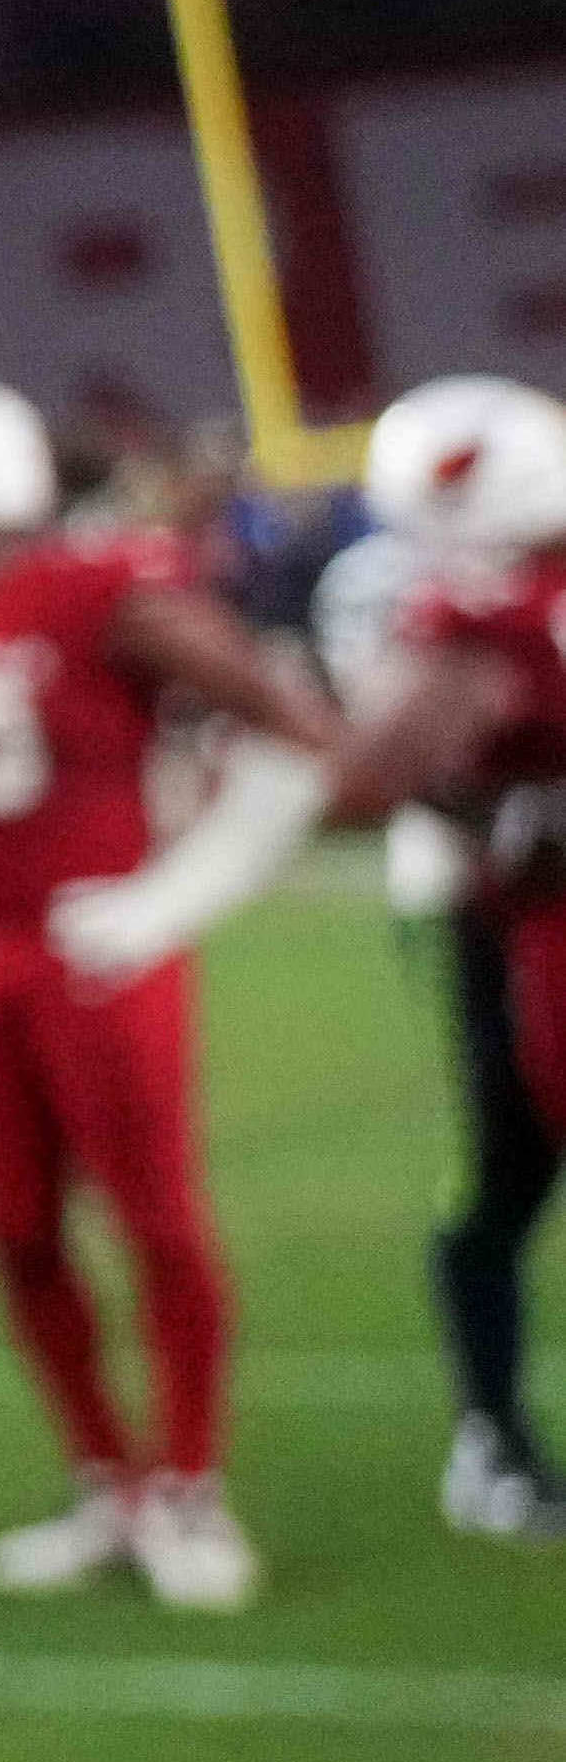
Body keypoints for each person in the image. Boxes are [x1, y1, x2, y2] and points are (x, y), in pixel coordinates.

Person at [0, 365, 336, 1610]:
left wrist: (173, 897)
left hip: (92, 951)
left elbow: (292, 734)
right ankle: (105, 1474)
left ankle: (189, 1480)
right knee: (12, 1230)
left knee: (154, 1220)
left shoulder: (99, 587)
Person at [315, 371, 566, 1538]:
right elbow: (382, 771)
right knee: (501, 1170)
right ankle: (491, 1440)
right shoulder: (418, 601)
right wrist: (502, 825)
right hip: (499, 909)